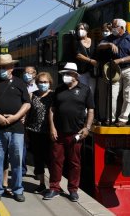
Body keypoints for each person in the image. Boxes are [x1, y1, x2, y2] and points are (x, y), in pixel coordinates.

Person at [0, 54, 31, 203]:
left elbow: (27, 103)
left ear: (12, 68)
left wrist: (15, 117)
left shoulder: (20, 83)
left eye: (5, 67)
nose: (2, 69)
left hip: (17, 129)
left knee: (17, 161)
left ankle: (17, 190)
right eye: (0, 67)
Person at [44, 62, 94, 202]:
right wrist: (52, 127)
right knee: (55, 161)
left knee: (74, 163)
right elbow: (52, 110)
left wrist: (87, 128)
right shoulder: (59, 90)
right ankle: (54, 188)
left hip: (76, 133)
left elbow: (90, 110)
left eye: (67, 74)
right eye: (64, 74)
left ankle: (73, 190)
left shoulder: (85, 90)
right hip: (59, 132)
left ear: (75, 75)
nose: (65, 76)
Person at [97, 18, 130, 127]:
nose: (113, 28)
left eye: (115, 27)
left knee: (128, 95)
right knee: (112, 94)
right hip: (115, 71)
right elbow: (99, 46)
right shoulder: (109, 38)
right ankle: (110, 118)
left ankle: (123, 119)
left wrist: (121, 60)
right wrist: (109, 45)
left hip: (129, 69)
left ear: (122, 28)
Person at [25, 72, 54, 193]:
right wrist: (25, 131)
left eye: (45, 82)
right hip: (34, 132)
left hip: (50, 133)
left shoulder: (54, 95)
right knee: (38, 159)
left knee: (51, 159)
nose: (43, 84)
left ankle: (54, 185)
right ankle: (42, 184)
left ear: (50, 83)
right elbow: (27, 114)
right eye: (41, 82)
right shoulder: (32, 95)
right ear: (36, 83)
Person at [75, 22, 98, 96]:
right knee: (83, 92)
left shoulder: (94, 41)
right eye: (78, 29)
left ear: (87, 30)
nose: (80, 31)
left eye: (81, 29)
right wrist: (90, 61)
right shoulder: (76, 42)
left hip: (92, 72)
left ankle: (91, 107)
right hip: (81, 72)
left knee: (91, 92)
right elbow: (78, 55)